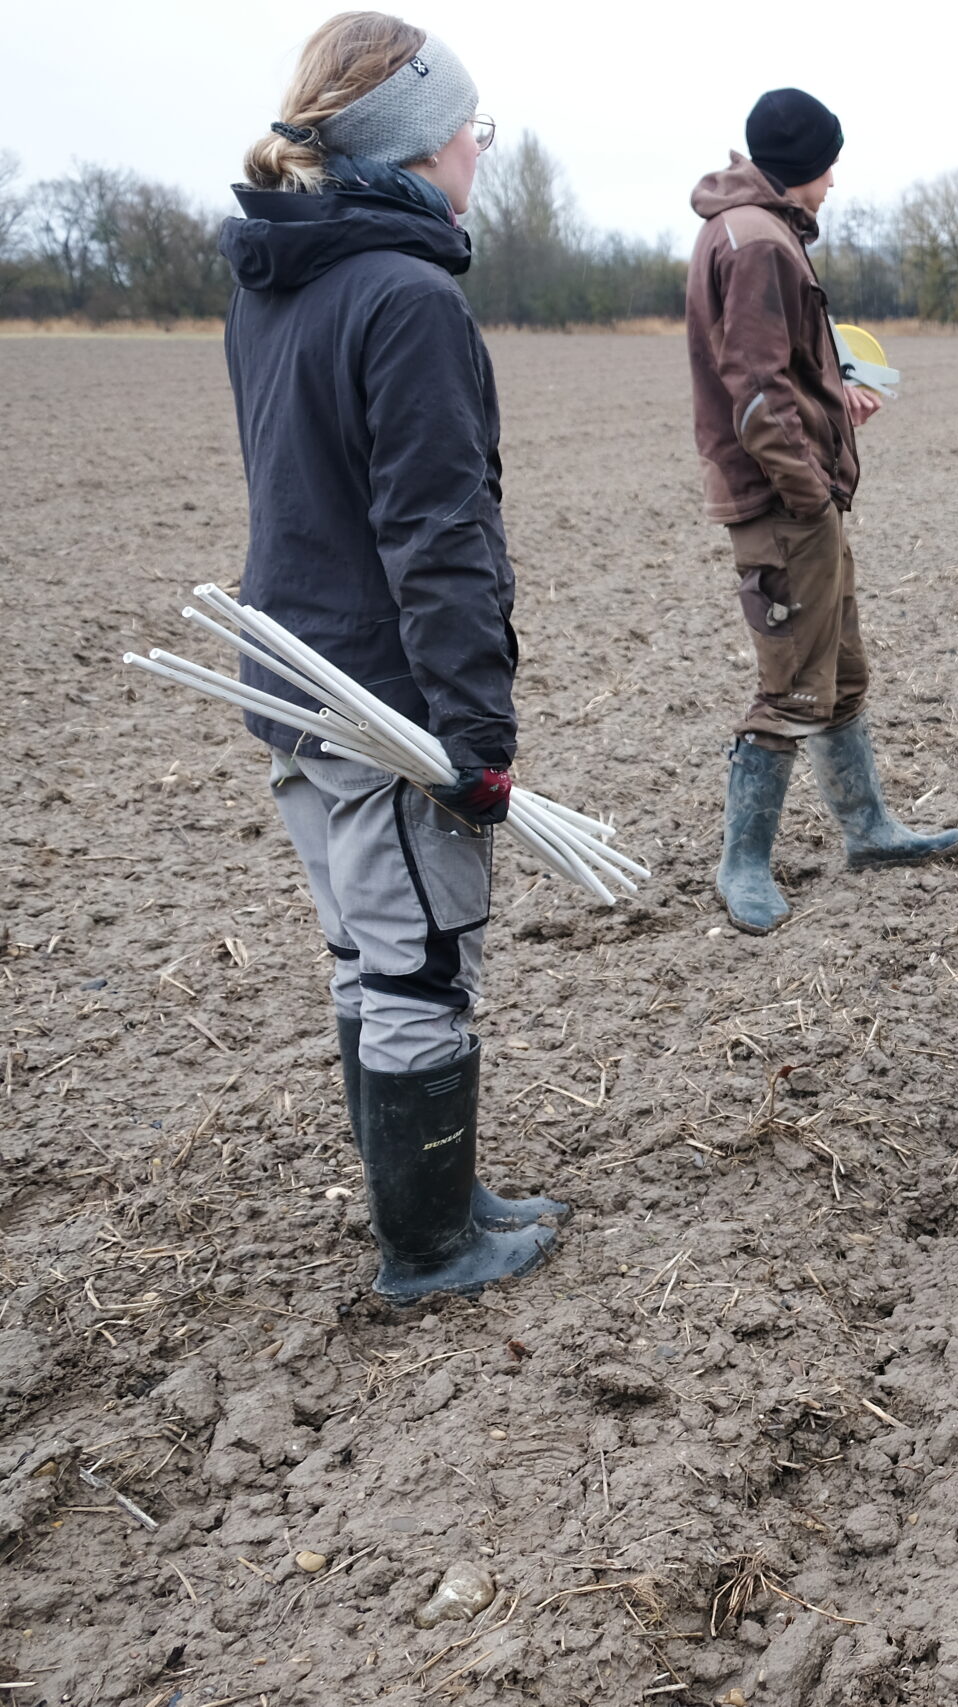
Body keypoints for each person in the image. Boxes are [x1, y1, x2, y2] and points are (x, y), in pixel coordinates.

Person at [222, 11, 563, 1302]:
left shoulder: (284, 273)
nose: (483, 153)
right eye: (476, 131)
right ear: (429, 145)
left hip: (294, 679)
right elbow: (438, 532)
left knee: (369, 950)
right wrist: (474, 738)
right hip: (380, 698)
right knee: (420, 958)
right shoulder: (409, 298)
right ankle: (429, 1243)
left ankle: (431, 1184)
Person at [687, 88, 958, 935]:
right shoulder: (760, 241)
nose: (835, 180)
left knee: (837, 671)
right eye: (829, 163)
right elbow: (755, 391)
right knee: (790, 685)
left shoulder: (751, 231)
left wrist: (836, 400)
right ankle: (744, 865)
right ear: (803, 165)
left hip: (800, 496)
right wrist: (807, 489)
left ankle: (869, 829)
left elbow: (785, 377)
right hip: (784, 504)